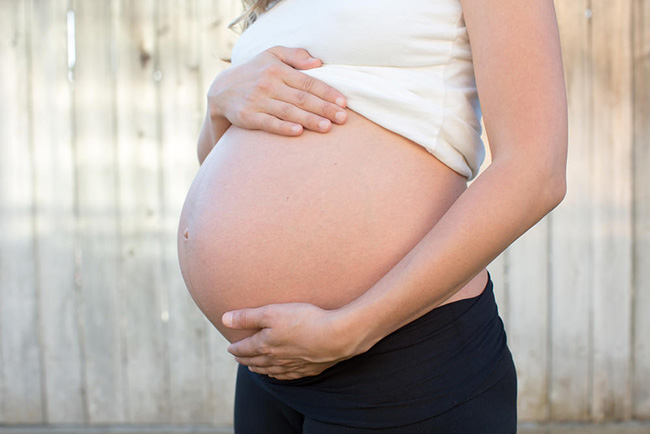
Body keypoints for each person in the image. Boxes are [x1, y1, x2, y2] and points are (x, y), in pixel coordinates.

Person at [184, 0, 567, 432]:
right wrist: (221, 101)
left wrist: (350, 330)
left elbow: (536, 171)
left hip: (400, 359)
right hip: (269, 368)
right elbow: (219, 161)